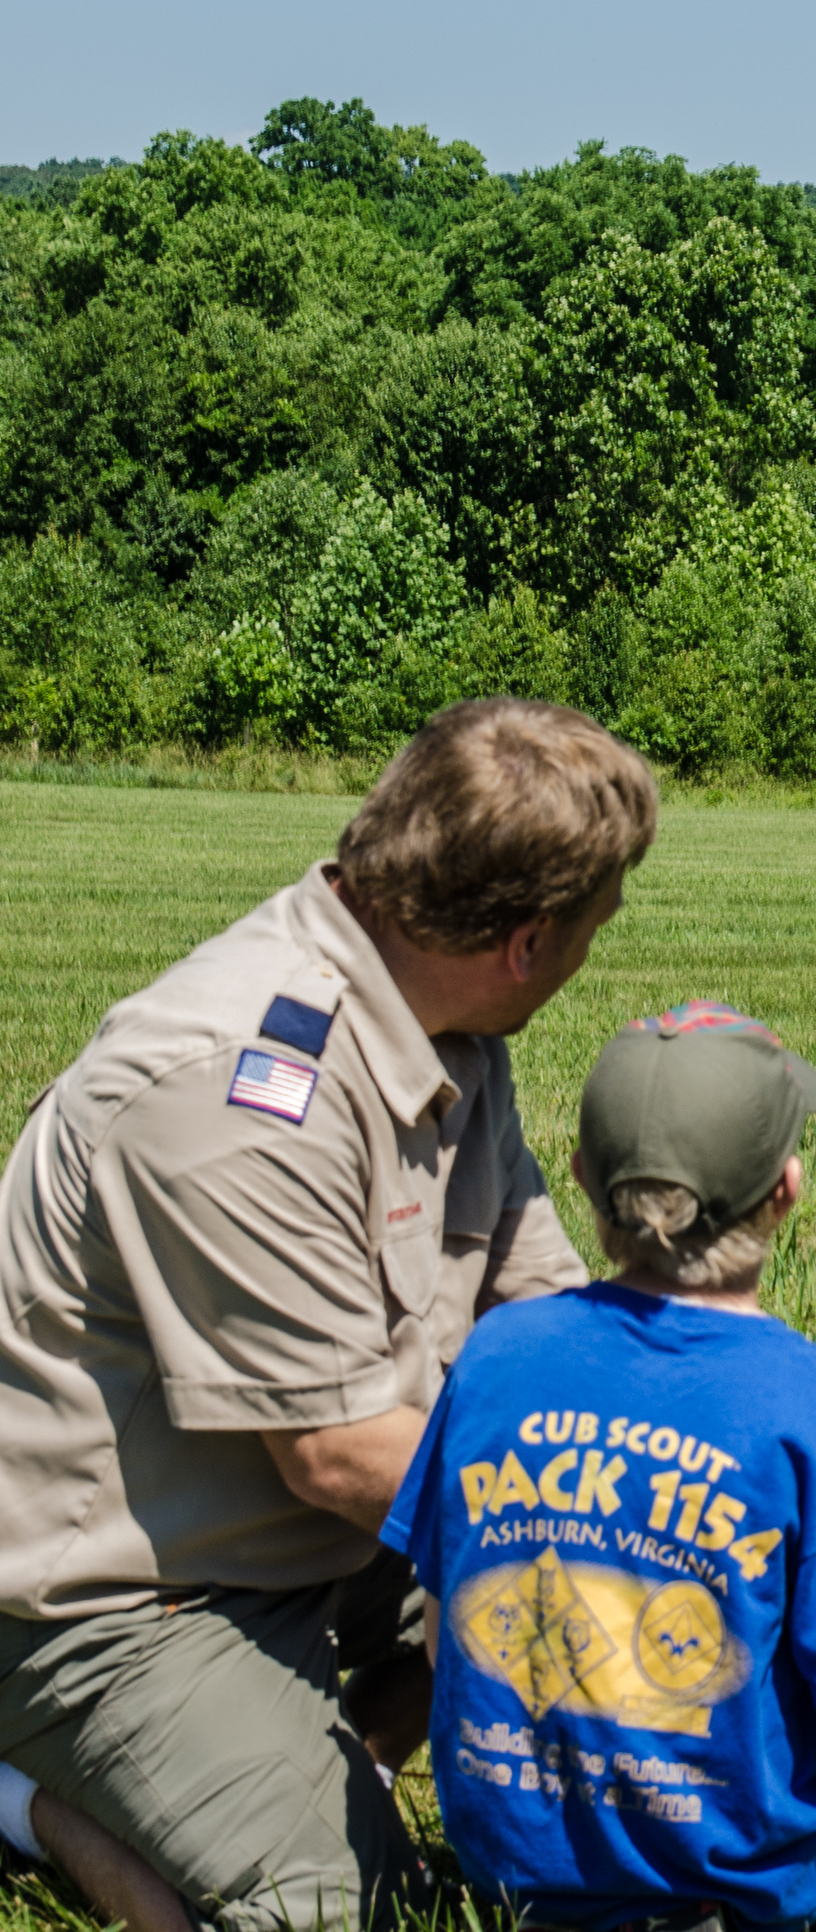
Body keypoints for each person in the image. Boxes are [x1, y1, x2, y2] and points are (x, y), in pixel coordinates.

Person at [0, 698, 658, 1932]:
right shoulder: (234, 1092)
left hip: (325, 1541)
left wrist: (691, 1474)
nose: (590, 956)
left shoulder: (448, 1024)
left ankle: (318, 1756)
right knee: (336, 1913)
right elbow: (339, 1454)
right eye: (595, 928)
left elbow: (543, 1313)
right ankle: (33, 1804)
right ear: (526, 941)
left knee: (641, 1689)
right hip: (111, 1598)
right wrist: (618, 1526)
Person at [382, 1002, 816, 1932]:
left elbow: (447, 1645)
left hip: (511, 1884)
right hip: (736, 1896)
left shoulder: (494, 1354)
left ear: (582, 1184)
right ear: (787, 1191)